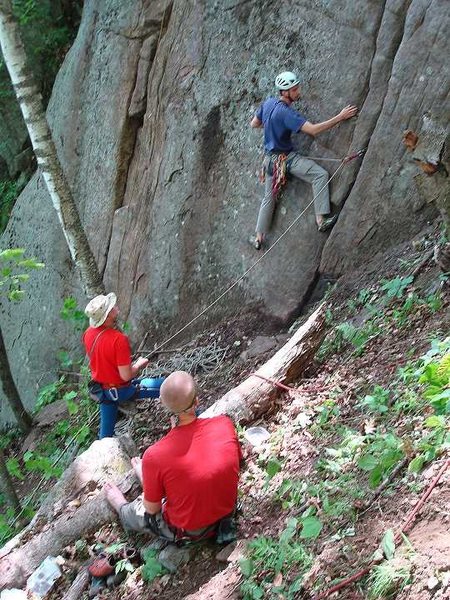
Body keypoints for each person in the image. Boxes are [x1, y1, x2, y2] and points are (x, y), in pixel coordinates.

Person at [104, 371, 242, 543]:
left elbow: (152, 509)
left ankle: (120, 506)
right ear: (197, 401)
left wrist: (147, 477)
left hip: (193, 529)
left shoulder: (155, 455)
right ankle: (148, 481)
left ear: (165, 407)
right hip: (227, 510)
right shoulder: (224, 424)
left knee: (135, 511)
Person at [250, 70, 358, 249]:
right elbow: (313, 130)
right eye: (295, 89)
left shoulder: (268, 103)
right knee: (320, 175)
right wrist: (341, 117)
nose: (298, 92)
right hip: (285, 160)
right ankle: (320, 219)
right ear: (286, 93)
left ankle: (259, 236)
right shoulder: (286, 114)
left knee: (269, 197)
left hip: (269, 160)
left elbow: (254, 123)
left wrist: (271, 125)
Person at [83, 293, 164, 438]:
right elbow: (126, 375)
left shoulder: (88, 334)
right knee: (169, 387)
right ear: (107, 317)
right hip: (121, 390)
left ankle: (102, 456)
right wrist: (139, 364)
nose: (116, 307)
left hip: (103, 391)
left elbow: (99, 361)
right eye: (112, 308)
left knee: (105, 435)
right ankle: (197, 413)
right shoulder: (118, 340)